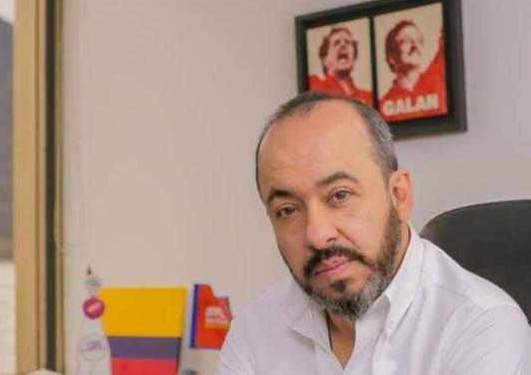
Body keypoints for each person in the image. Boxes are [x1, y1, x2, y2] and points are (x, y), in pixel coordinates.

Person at [216, 92, 530, 374]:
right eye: (288, 210)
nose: (317, 235)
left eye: (339, 195)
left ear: (399, 195)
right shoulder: (254, 331)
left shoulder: (480, 325)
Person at [379, 20, 447, 122]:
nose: (415, 45)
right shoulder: (383, 106)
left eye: (419, 40)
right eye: (406, 41)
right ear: (391, 56)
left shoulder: (436, 76)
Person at [310, 27, 373, 106]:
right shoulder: (314, 86)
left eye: (347, 42)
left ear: (354, 58)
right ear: (324, 60)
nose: (343, 45)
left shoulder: (369, 97)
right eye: (336, 43)